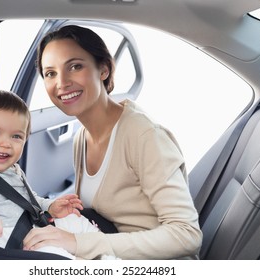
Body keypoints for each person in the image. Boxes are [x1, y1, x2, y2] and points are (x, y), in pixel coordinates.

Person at [23, 25, 203, 260]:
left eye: (75, 66)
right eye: (50, 73)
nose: (62, 82)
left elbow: (187, 234)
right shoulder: (82, 138)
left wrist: (78, 242)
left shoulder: (143, 135)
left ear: (104, 70)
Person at [0, 90, 100, 260]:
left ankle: (109, 258)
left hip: (32, 227)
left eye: (16, 136)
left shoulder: (12, 169)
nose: (6, 143)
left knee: (75, 220)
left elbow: (30, 199)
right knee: (57, 257)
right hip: (6, 240)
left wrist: (50, 206)